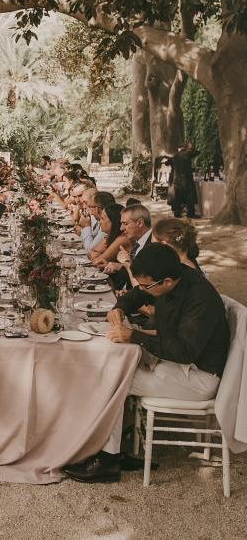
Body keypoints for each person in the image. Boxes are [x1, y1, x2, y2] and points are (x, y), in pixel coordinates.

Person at [64, 243, 229, 483]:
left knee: (112, 378)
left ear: (168, 283)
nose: (142, 289)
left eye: (146, 285)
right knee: (111, 364)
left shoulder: (200, 298)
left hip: (198, 377)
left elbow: (184, 351)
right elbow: (138, 293)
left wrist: (134, 336)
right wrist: (120, 307)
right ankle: (118, 445)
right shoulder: (170, 274)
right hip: (177, 364)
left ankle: (108, 461)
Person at [167, 142, 198, 218]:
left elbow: (166, 162)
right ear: (186, 148)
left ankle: (177, 213)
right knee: (189, 196)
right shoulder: (188, 154)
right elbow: (197, 152)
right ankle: (190, 213)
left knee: (177, 196)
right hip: (186, 178)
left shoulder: (175, 155)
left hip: (176, 179)